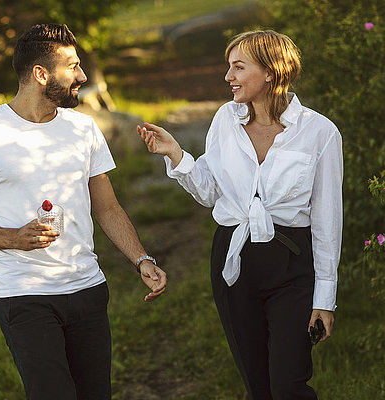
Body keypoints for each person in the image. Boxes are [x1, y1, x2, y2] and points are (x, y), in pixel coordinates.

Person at [0, 23, 167, 400]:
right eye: (73, 66)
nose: (82, 75)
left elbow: (108, 207)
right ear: (41, 74)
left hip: (87, 289)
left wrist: (141, 259)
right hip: (24, 295)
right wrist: (13, 238)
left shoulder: (84, 129)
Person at [138, 30, 342, 399]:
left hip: (292, 263)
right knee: (257, 383)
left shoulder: (320, 132)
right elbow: (210, 192)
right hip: (234, 258)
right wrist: (176, 154)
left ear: (270, 72)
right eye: (228, 67)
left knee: (289, 383)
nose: (227, 77)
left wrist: (324, 299)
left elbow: (328, 221)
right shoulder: (224, 121)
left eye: (238, 67)